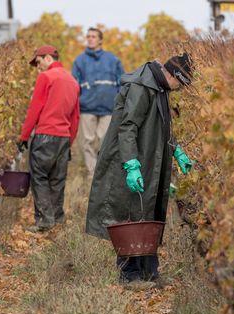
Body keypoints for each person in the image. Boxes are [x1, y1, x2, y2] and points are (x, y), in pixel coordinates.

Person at [85, 53, 194, 289]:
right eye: (181, 83)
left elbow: (163, 125)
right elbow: (128, 128)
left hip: (149, 156)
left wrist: (176, 151)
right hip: (131, 156)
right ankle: (130, 275)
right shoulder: (141, 87)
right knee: (132, 213)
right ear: (172, 75)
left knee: (149, 212)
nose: (180, 89)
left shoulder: (159, 88)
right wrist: (131, 164)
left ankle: (150, 272)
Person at [17, 45, 80, 232]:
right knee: (57, 179)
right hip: (63, 137)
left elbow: (35, 108)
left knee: (40, 177)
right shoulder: (72, 81)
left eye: (38, 62)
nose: (38, 67)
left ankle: (45, 221)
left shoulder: (46, 77)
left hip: (45, 134)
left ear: (48, 58)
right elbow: (75, 117)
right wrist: (69, 141)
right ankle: (57, 219)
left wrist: (24, 136)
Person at [72, 27, 124, 179]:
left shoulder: (113, 60)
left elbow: (122, 82)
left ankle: (104, 173)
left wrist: (119, 103)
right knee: (87, 142)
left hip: (108, 108)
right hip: (87, 107)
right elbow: (74, 84)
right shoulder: (79, 60)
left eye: (93, 36)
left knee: (105, 141)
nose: (90, 39)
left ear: (100, 40)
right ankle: (91, 174)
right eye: (88, 36)